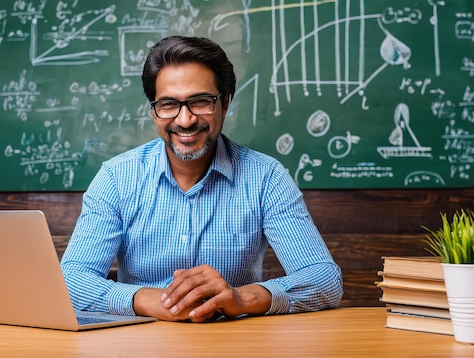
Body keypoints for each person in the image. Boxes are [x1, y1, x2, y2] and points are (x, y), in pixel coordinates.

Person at [60, 36, 343, 322]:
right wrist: (145, 299)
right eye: (168, 104)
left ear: (226, 103)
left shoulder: (266, 177)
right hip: (141, 344)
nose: (185, 120)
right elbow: (70, 280)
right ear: (154, 111)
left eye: (200, 101)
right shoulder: (116, 178)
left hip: (237, 342)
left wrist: (242, 297)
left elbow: (324, 279)